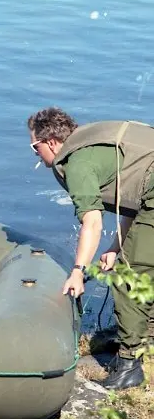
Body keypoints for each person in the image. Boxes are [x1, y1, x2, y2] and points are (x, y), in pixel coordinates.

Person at [27, 106, 154, 390]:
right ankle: (143, 334)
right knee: (142, 261)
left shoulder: (77, 163)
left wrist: (77, 270)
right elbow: (133, 199)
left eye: (34, 145)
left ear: (50, 142)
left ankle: (130, 364)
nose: (34, 152)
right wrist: (115, 246)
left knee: (129, 275)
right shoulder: (91, 140)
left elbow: (93, 222)